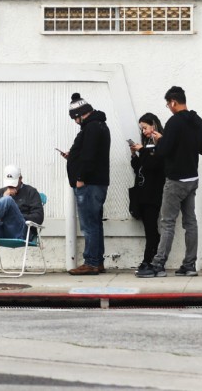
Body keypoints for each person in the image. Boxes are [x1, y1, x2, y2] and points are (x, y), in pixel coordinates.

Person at [136, 86, 202, 278]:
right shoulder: (198, 120)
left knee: (167, 222)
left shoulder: (174, 122)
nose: (168, 107)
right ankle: (189, 265)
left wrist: (162, 140)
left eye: (168, 104)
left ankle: (158, 264)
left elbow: (163, 152)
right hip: (192, 178)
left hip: (176, 180)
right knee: (190, 222)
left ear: (173, 102)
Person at [62, 92, 110, 275]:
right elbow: (89, 153)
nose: (75, 122)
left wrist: (80, 178)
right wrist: (72, 155)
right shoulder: (99, 126)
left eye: (75, 118)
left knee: (89, 224)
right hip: (96, 182)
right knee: (95, 223)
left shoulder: (91, 128)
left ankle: (91, 262)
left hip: (89, 184)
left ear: (82, 114)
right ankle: (97, 262)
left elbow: (89, 156)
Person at [129, 113, 166, 274]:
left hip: (153, 193)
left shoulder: (161, 143)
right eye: (141, 129)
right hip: (142, 192)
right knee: (148, 228)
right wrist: (134, 154)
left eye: (145, 127)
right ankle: (150, 261)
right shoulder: (147, 145)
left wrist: (143, 150)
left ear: (153, 125)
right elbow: (140, 168)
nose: (143, 131)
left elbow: (154, 165)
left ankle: (149, 261)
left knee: (152, 229)